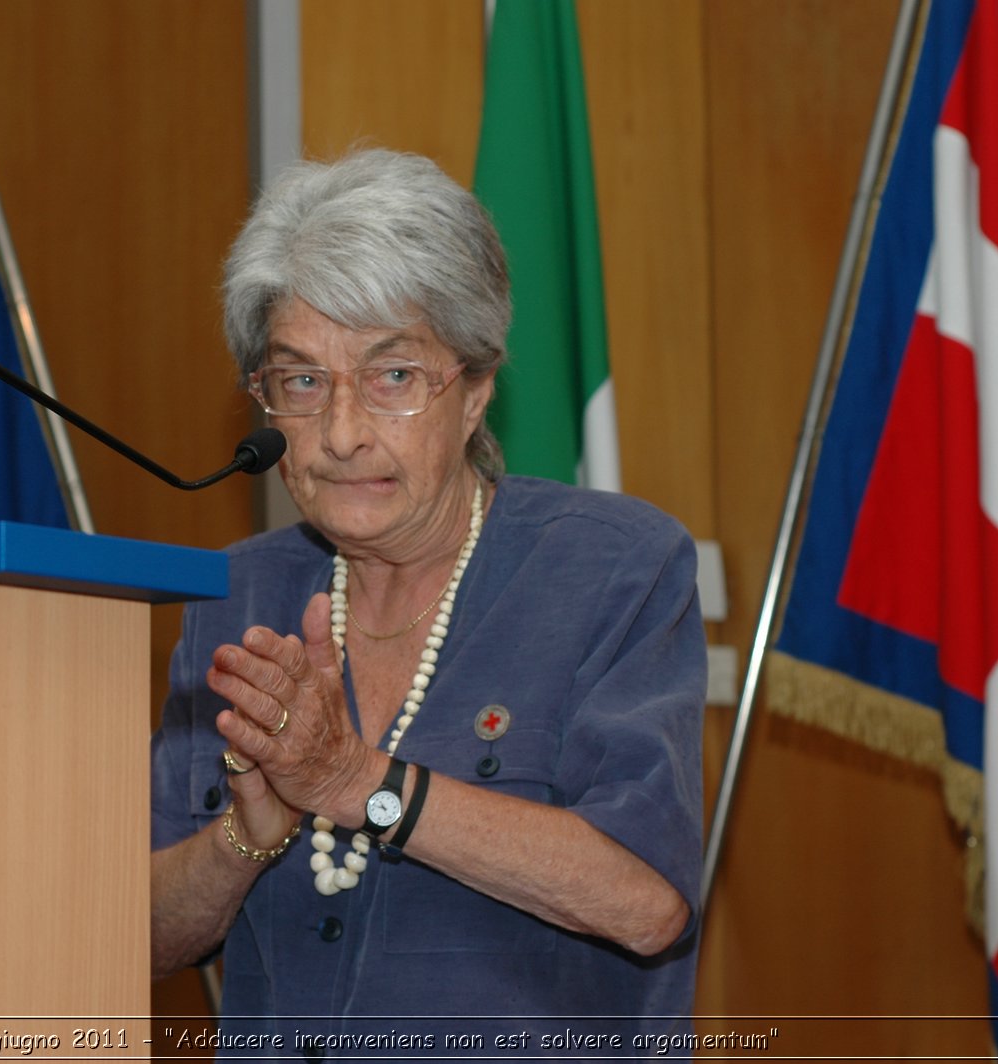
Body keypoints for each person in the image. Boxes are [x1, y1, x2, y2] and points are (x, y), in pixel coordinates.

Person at [150, 149, 704, 1056]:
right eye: (301, 381)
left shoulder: (616, 569)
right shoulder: (235, 595)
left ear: (476, 387)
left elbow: (645, 903)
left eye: (393, 376)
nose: (339, 433)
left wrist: (352, 782)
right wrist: (240, 842)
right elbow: (142, 938)